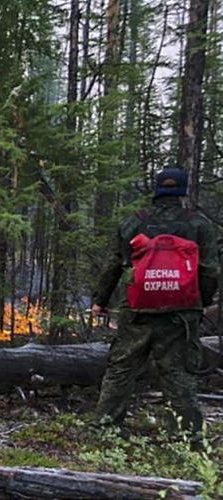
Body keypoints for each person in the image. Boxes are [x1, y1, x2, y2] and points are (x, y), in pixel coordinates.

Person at [90, 168, 218, 443]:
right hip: (181, 313)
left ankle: (105, 427)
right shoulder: (199, 225)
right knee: (178, 370)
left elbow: (114, 265)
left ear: (156, 190)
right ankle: (189, 435)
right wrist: (201, 302)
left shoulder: (134, 223)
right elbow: (209, 270)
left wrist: (100, 300)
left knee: (122, 367)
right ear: (182, 191)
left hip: (137, 309)